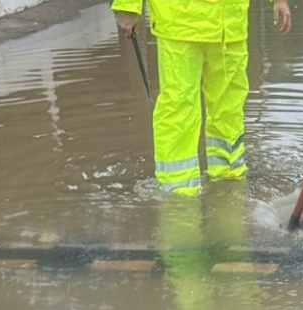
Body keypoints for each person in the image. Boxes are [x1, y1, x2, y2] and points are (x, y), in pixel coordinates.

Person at [111, 0, 292, 196]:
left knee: (229, 109)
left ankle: (228, 182)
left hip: (229, 24)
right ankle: (178, 193)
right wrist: (127, 5)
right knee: (179, 110)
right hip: (180, 22)